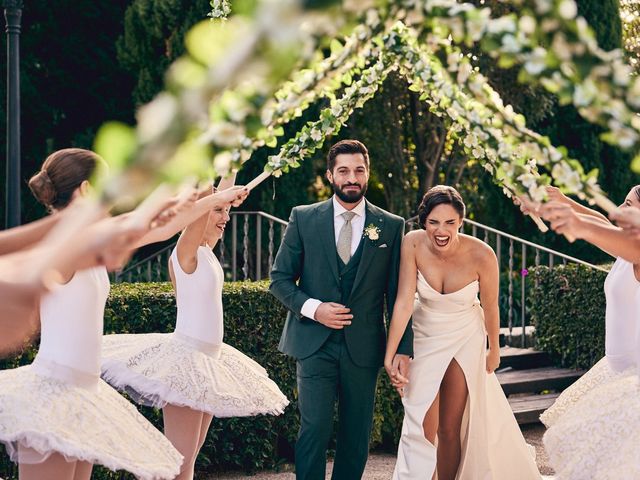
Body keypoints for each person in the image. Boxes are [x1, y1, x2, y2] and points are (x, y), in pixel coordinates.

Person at [0, 148, 184, 480]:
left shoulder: (77, 242)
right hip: (53, 394)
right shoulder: (66, 247)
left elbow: (154, 229)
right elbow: (133, 224)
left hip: (84, 394)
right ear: (86, 190)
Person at [100, 177, 289, 480]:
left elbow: (223, 187)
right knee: (177, 464)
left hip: (209, 363)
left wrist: (234, 148)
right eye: (218, 211)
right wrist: (208, 180)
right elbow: (201, 208)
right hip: (186, 363)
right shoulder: (185, 252)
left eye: (226, 211)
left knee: (187, 464)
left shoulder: (205, 250)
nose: (225, 217)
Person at [269, 139, 413, 480]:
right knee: (314, 427)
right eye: (344, 171)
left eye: (359, 170)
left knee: (356, 434)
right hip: (313, 343)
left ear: (367, 174)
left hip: (363, 347)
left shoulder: (390, 226)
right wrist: (315, 308)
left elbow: (398, 294)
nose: (352, 177)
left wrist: (402, 348)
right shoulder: (304, 218)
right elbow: (279, 279)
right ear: (331, 175)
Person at [384, 185, 540, 480]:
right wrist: (390, 354)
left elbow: (491, 307)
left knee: (450, 426)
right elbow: (404, 300)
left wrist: (494, 350)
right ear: (423, 222)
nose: (441, 231)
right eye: (433, 223)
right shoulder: (412, 243)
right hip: (425, 334)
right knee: (421, 424)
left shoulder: (482, 254)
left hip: (465, 336)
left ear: (461, 222)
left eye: (449, 223)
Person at [537, 185, 640, 480]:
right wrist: (564, 201)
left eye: (629, 204)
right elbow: (602, 223)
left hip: (632, 375)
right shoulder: (625, 252)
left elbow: (594, 227)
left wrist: (568, 218)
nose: (621, 208)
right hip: (614, 368)